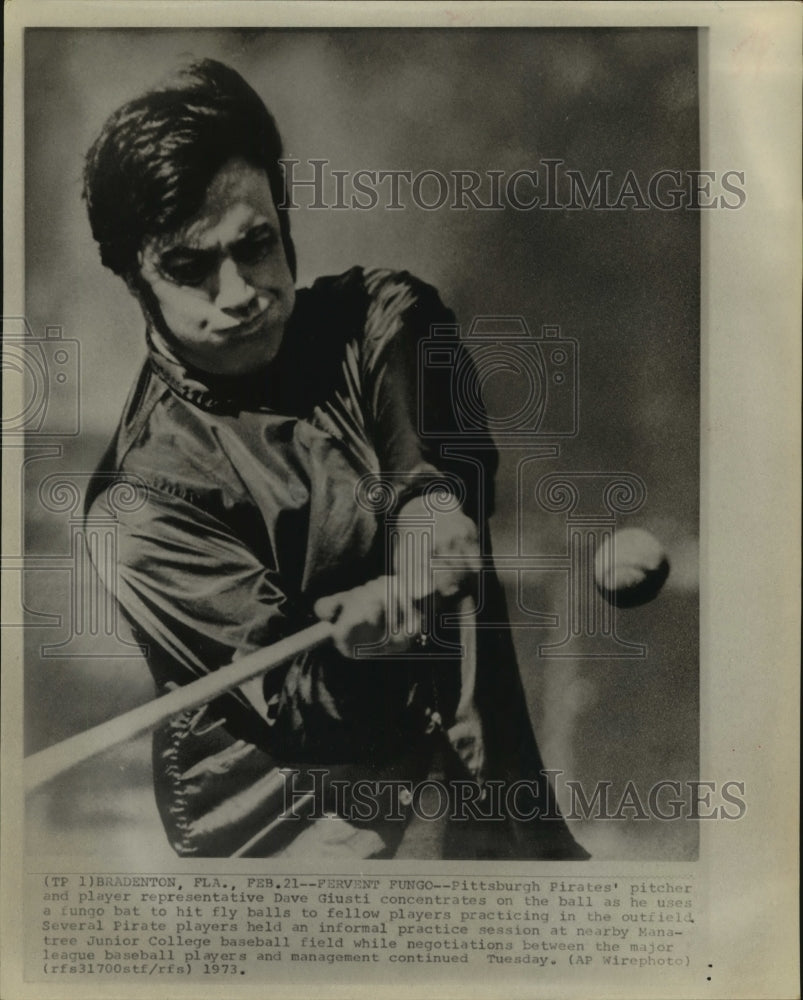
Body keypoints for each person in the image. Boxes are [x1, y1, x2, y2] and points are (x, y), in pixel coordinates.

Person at [82, 58, 588, 860]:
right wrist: (364, 649)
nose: (239, 291)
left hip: (491, 820)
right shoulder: (138, 506)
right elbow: (309, 711)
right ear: (133, 278)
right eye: (189, 267)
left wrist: (425, 501)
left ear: (285, 223)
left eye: (257, 245)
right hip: (306, 869)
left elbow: (410, 358)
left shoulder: (376, 320)